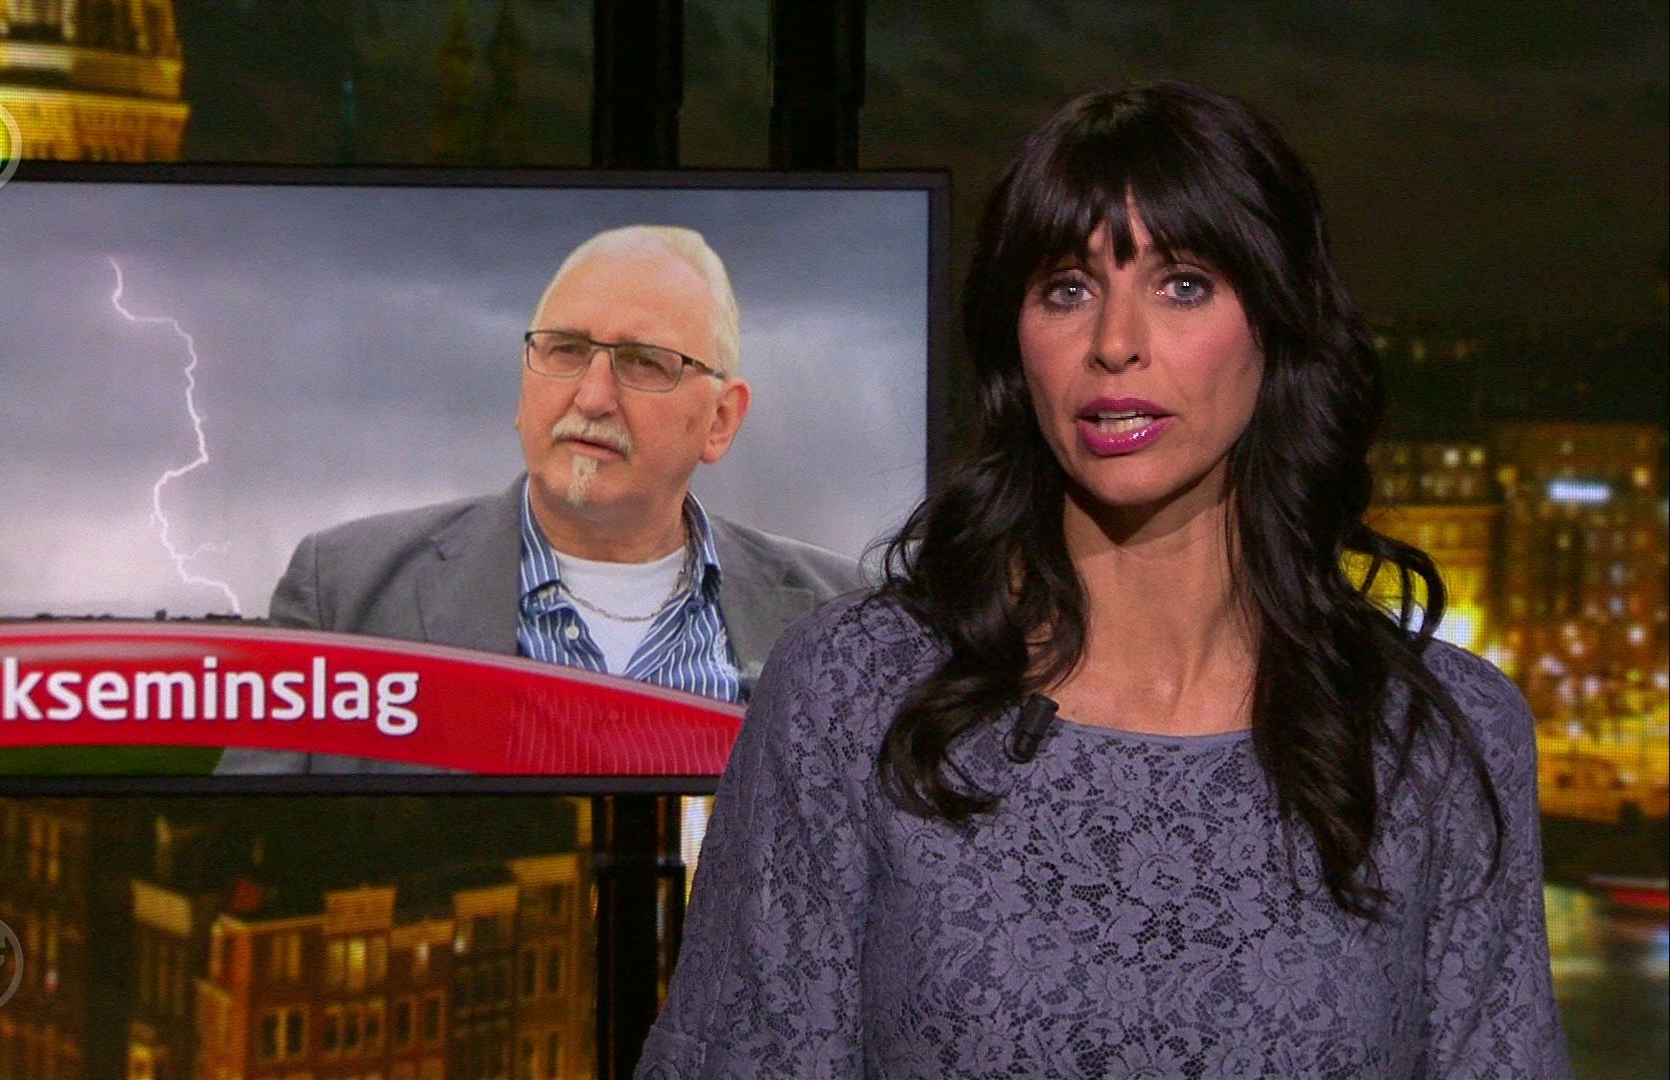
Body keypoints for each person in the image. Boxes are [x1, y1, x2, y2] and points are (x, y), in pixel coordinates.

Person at [637, 82, 1569, 1079]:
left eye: (1184, 285)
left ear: (1277, 324)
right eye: (1068, 290)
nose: (1115, 343)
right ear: (1016, 344)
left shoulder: (1439, 737)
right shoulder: (851, 693)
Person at [217, 225, 864, 774]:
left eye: (644, 362)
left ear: (721, 420)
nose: (592, 397)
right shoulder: (343, 596)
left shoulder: (852, 617)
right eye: (566, 350)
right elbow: (245, 843)